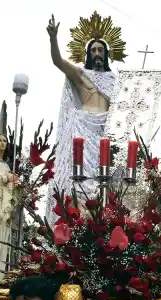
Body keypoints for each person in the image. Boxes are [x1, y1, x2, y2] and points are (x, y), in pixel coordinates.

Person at [45, 14, 118, 218]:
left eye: (100, 50)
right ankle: (81, 217)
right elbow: (58, 62)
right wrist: (53, 39)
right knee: (82, 177)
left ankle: (103, 217)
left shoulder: (115, 81)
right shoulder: (81, 75)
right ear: (88, 53)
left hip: (105, 133)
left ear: (106, 54)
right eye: (93, 50)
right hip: (84, 130)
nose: (97, 53)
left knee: (105, 177)